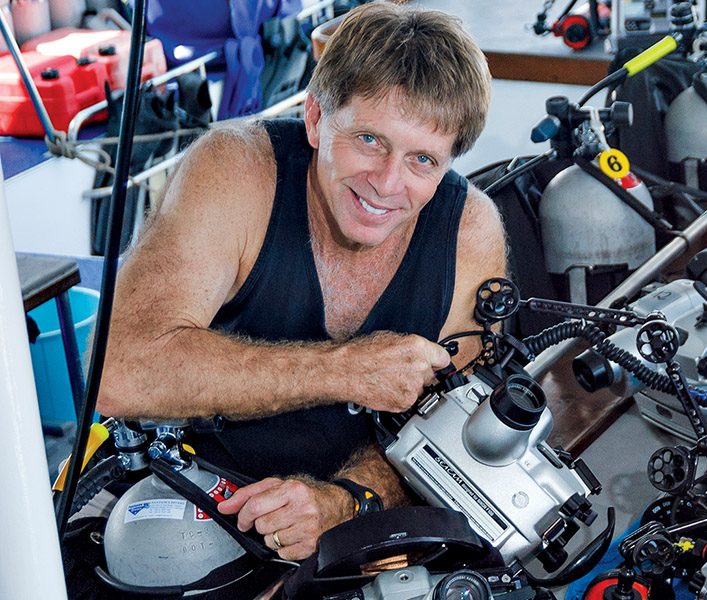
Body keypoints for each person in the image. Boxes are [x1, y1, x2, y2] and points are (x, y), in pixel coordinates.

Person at [98, 2, 504, 561]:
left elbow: (460, 433)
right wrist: (346, 370)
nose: (387, 183)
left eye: (423, 161)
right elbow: (119, 371)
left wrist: (348, 500)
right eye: (368, 139)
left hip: (360, 519)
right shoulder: (234, 173)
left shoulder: (468, 232)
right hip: (188, 502)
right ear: (315, 119)